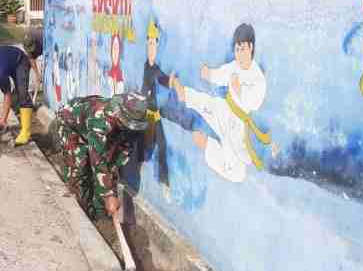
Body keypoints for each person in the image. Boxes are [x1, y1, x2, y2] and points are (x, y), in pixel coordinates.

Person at [169, 23, 270, 182]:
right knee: (206, 102)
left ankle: (208, 146)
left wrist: (240, 92)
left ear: (251, 47)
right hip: (224, 109)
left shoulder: (257, 78)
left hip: (236, 124)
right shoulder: (235, 66)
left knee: (235, 167)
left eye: (242, 49)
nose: (239, 54)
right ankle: (184, 94)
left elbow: (255, 102)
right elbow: (222, 74)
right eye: (236, 50)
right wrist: (209, 74)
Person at [55, 92, 149, 219]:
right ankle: (79, 216)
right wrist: (109, 195)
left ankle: (100, 215)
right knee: (79, 170)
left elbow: (116, 160)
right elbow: (98, 161)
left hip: (91, 128)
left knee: (107, 172)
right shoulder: (100, 121)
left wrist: (109, 190)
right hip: (71, 126)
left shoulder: (130, 128)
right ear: (120, 115)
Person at [140, 19, 171, 189]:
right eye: (150, 43)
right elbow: (147, 88)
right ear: (147, 44)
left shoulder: (155, 68)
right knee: (146, 147)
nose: (152, 47)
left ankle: (164, 181)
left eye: (155, 44)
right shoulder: (147, 68)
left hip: (154, 115)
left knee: (162, 145)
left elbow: (163, 79)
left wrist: (173, 82)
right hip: (147, 115)